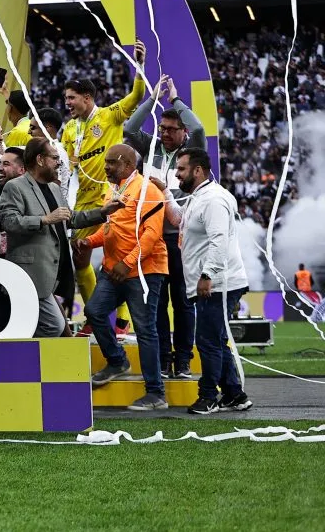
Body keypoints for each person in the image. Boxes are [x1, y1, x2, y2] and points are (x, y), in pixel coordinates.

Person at [62, 41, 147, 333]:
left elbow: (137, 95)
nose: (68, 103)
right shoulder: (70, 129)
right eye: (66, 98)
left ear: (87, 97)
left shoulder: (109, 115)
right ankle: (94, 318)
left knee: (116, 257)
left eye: (72, 98)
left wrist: (138, 66)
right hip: (84, 200)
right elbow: (63, 165)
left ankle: (121, 319)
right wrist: (67, 161)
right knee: (79, 256)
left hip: (112, 197)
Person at [74, 144, 168, 411]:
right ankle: (117, 360)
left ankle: (156, 394)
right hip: (114, 269)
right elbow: (110, 229)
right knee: (94, 311)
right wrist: (89, 243)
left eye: (111, 163)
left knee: (145, 329)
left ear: (127, 164)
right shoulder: (114, 189)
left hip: (143, 271)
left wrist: (127, 264)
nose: (105, 167)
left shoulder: (148, 190)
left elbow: (151, 235)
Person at [125, 75, 206, 379]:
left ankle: (183, 360)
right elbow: (130, 128)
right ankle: (162, 359)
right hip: (153, 236)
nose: (167, 133)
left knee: (183, 304)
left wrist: (174, 99)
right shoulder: (150, 147)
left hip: (183, 238)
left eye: (173, 129)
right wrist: (152, 97)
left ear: (183, 132)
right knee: (156, 305)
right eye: (164, 128)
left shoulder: (193, 151)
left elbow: (198, 128)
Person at [0, 139, 122, 337]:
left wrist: (102, 212)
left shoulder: (54, 188)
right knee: (54, 326)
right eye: (55, 158)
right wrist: (44, 220)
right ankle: (33, 363)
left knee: (44, 326)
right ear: (40, 159)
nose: (59, 163)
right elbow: (9, 222)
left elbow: (70, 217)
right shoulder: (15, 187)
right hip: (31, 272)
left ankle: (32, 362)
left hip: (54, 272)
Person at [167, 148, 252, 414]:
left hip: (218, 284)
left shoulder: (213, 200)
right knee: (214, 339)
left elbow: (219, 241)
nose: (177, 174)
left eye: (181, 169)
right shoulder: (198, 197)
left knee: (207, 341)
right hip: (210, 282)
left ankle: (208, 397)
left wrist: (207, 276)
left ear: (198, 170)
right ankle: (234, 395)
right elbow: (180, 220)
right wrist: (166, 194)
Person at [0, 146, 26, 332]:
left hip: (24, 262)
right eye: (0, 164)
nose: (0, 168)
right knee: (2, 316)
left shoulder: (34, 193)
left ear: (22, 170)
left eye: (6, 164)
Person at [29, 107, 71, 199]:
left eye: (33, 128)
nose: (29, 132)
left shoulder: (56, 151)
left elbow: (55, 184)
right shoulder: (44, 149)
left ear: (47, 128)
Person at [0, 76, 32, 147]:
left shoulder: (17, 132)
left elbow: (8, 157)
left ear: (11, 108)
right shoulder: (33, 127)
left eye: (7, 105)